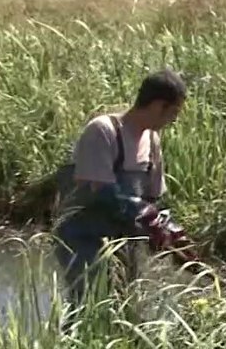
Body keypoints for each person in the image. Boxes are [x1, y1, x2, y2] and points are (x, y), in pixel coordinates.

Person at [51, 68, 191, 316]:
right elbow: (101, 190)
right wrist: (148, 216)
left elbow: (153, 199)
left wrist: (172, 233)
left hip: (124, 240)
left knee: (126, 309)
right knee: (89, 309)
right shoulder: (103, 131)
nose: (173, 120)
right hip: (83, 238)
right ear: (158, 106)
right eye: (174, 113)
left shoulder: (153, 141)